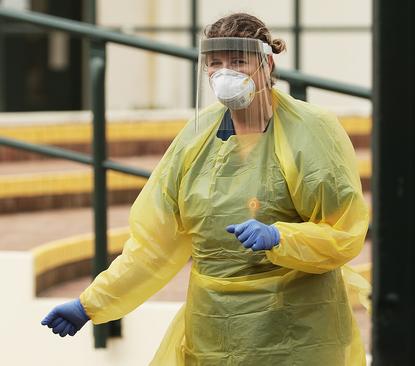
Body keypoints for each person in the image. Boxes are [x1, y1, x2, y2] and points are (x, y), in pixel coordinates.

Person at [41, 12, 369, 365]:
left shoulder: (310, 131)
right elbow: (154, 244)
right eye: (215, 63)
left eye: (239, 61)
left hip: (296, 332)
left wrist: (282, 238)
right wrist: (91, 302)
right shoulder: (194, 141)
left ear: (267, 63)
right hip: (213, 330)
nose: (225, 72)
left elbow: (343, 232)